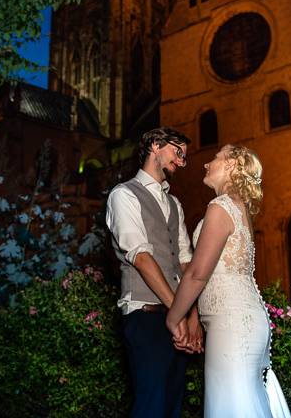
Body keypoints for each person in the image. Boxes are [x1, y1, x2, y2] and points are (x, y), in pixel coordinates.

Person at [166, 145, 291, 418]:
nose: (206, 164)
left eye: (216, 158)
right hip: (241, 322)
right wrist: (197, 320)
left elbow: (198, 273)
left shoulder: (221, 207)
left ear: (232, 165)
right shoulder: (238, 208)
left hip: (233, 326)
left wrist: (174, 318)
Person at [106, 127, 203, 418]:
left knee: (172, 407)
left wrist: (193, 318)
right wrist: (179, 313)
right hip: (145, 315)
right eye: (178, 152)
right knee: (151, 405)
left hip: (177, 318)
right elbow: (141, 257)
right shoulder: (123, 194)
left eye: (184, 158)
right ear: (156, 146)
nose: (181, 162)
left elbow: (187, 264)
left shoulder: (175, 204)